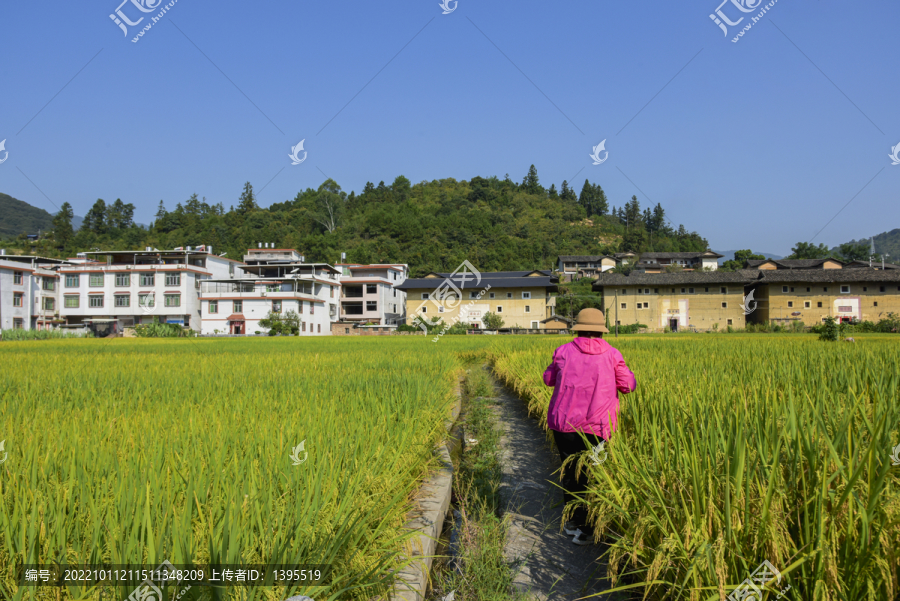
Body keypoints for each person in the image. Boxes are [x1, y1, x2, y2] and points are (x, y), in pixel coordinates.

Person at [542, 308, 637, 545]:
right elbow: (628, 386)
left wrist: (553, 367)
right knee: (594, 474)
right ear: (601, 331)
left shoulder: (563, 351)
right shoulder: (613, 355)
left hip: (564, 426)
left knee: (571, 472)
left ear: (579, 329)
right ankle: (588, 528)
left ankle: (574, 521)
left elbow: (548, 380)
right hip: (599, 430)